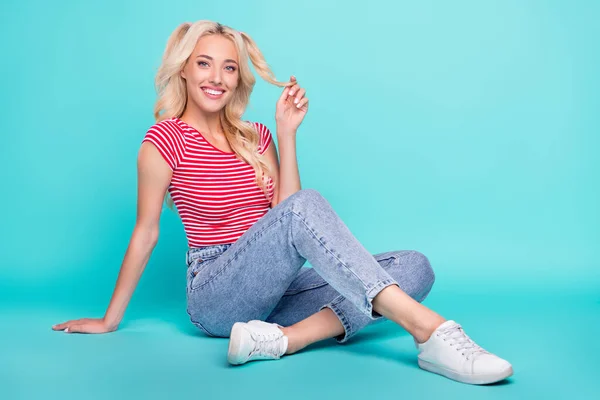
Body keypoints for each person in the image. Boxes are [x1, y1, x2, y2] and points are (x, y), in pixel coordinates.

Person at [52, 20, 513, 385]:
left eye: (229, 67)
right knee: (308, 210)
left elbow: (287, 219)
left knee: (415, 266)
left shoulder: (257, 136)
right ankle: (431, 332)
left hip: (278, 289)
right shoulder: (163, 141)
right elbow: (146, 231)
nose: (216, 78)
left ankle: (282, 340)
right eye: (204, 64)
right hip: (217, 291)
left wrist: (288, 135)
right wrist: (110, 320)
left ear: (238, 78)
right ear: (185, 71)